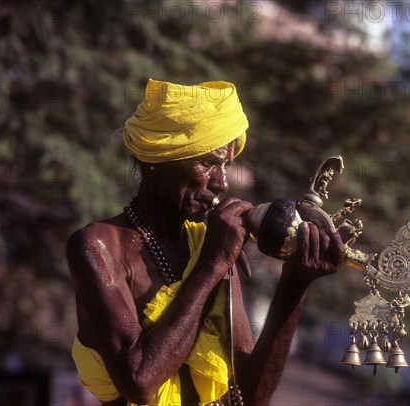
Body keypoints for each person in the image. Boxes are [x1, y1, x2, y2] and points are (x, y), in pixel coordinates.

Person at [67, 79, 344, 406]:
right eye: (208, 163)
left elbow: (249, 398)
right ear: (159, 160)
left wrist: (294, 285)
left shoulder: (208, 245)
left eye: (225, 165)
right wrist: (212, 264)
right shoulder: (98, 246)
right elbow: (139, 382)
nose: (223, 183)